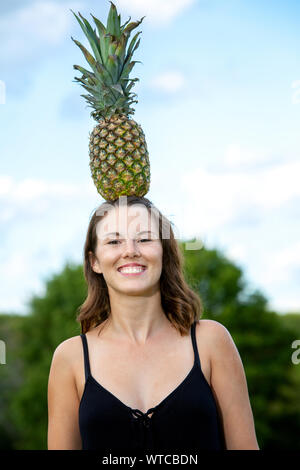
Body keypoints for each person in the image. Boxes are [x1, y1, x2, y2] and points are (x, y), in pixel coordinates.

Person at [47, 196, 259, 451]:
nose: (130, 250)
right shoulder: (71, 358)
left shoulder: (211, 341)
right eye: (114, 241)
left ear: (164, 251)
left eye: (145, 238)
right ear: (94, 262)